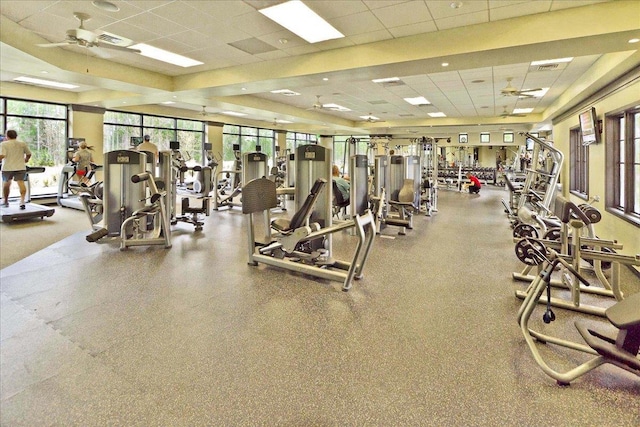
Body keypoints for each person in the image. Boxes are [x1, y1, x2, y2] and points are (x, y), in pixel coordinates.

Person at [0, 130, 32, 209]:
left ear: (7, 136)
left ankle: (6, 201)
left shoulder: (4, 144)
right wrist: (26, 159)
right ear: (16, 136)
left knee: (6, 183)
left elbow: (2, 155)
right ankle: (22, 201)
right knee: (21, 183)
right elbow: (29, 154)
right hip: (20, 167)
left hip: (7, 167)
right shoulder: (22, 144)